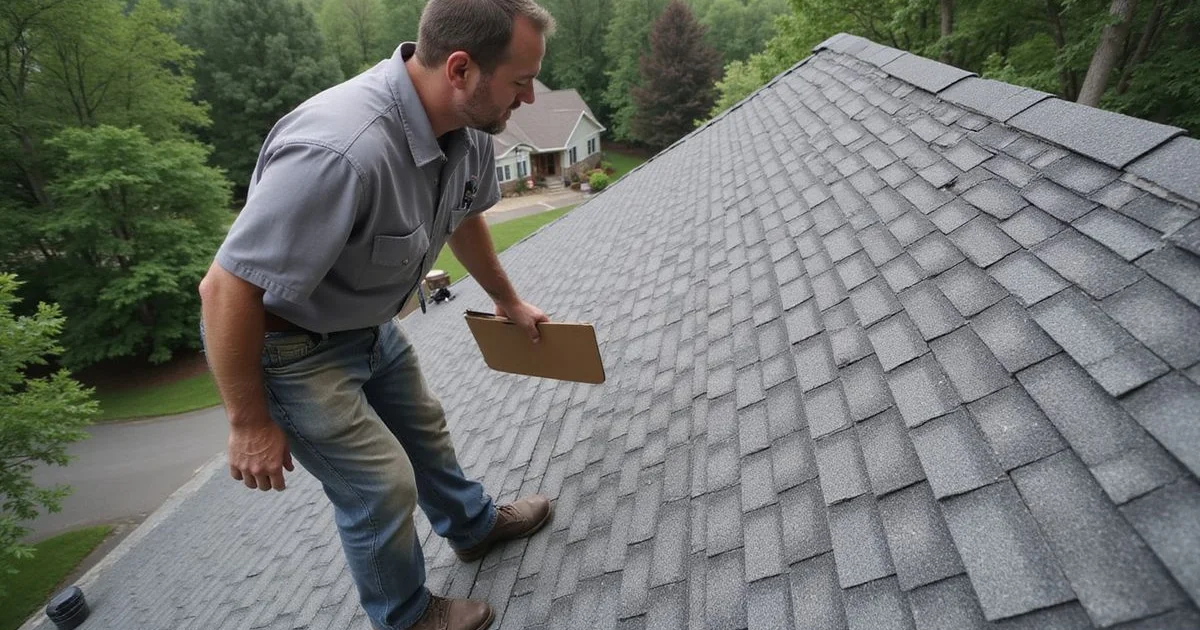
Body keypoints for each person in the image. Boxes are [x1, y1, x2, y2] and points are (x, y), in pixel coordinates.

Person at [197, 0, 557, 628]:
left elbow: (463, 215)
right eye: (521, 81)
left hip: (366, 326)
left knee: (426, 430)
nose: (529, 97)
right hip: (290, 351)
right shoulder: (340, 151)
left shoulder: (469, 128)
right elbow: (224, 289)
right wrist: (248, 420)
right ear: (461, 68)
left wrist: (506, 300)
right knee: (380, 486)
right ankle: (406, 616)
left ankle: (472, 528)